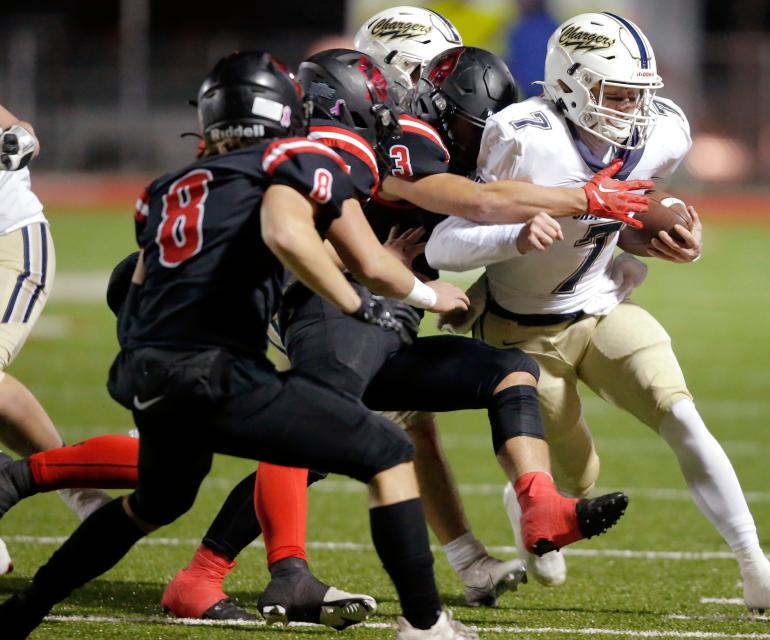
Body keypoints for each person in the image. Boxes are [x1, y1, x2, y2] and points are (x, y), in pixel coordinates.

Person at [0, 51, 486, 640]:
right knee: (386, 448)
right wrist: (371, 304)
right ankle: (426, 624)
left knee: (154, 504)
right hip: (220, 372)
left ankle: (27, 610)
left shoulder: (165, 188)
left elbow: (135, 290)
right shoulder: (294, 157)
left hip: (145, 374)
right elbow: (307, 241)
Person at [160, 46, 635, 623]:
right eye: (470, 126)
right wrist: (582, 198)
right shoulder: (410, 136)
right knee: (312, 433)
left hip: (388, 319)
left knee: (509, 374)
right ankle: (231, 576)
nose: (478, 141)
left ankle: (540, 506)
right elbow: (471, 206)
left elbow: (468, 231)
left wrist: (634, 233)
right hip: (335, 308)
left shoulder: (456, 151)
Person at [425, 13, 770, 617]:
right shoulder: (523, 135)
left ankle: (756, 569)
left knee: (682, 414)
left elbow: (640, 207)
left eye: (639, 94)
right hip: (521, 331)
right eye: (617, 94)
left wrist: (677, 225)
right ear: (571, 84)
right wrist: (513, 236)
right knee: (579, 477)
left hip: (604, 306)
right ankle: (528, 499)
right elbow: (445, 244)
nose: (631, 108)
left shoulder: (662, 131)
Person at [0, 104, 112, 576]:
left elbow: (22, 131)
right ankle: (86, 494)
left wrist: (15, 141)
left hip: (9, 243)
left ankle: (82, 491)